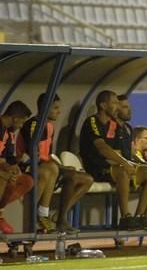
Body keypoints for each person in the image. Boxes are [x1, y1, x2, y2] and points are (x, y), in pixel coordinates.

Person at [79, 90, 147, 231]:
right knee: (123, 170)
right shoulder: (92, 121)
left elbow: (119, 152)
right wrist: (124, 162)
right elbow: (102, 147)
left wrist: (131, 162)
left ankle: (140, 216)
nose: (117, 106)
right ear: (103, 105)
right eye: (114, 103)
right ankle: (125, 217)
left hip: (114, 166)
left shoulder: (114, 125)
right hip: (97, 168)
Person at [17, 93, 93, 233]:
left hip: (46, 165)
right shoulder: (34, 124)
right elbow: (33, 153)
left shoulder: (50, 127)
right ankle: (41, 214)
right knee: (53, 168)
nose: (59, 111)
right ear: (45, 108)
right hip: (28, 166)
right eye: (55, 108)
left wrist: (61, 167)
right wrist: (57, 166)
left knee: (86, 179)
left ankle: (60, 218)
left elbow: (48, 155)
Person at [0, 101, 34, 234]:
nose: (21, 126)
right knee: (4, 178)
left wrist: (14, 168)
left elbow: (7, 158)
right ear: (15, 118)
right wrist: (6, 172)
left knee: (26, 181)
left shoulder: (10, 132)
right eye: (21, 122)